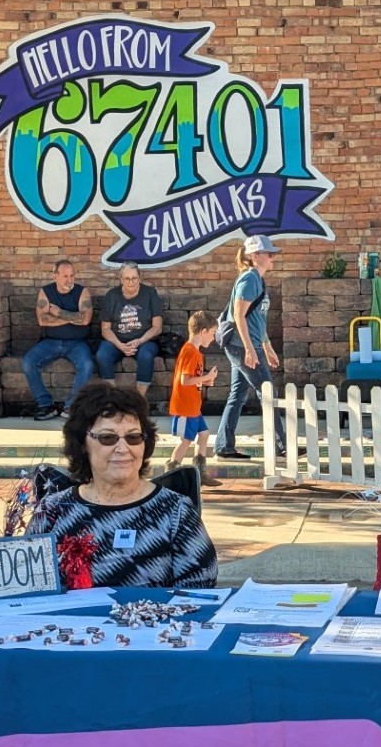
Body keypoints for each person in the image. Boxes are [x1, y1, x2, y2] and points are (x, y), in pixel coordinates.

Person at [27, 382, 217, 588]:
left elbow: (200, 595)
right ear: (82, 443)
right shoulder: (52, 512)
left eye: (133, 437)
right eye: (107, 438)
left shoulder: (176, 513)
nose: (123, 448)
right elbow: (27, 588)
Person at [214, 235, 289, 460]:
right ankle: (281, 446)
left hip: (248, 345)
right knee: (267, 391)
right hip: (241, 346)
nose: (272, 257)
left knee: (238, 395)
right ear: (255, 256)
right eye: (268, 253)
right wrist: (249, 349)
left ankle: (223, 446)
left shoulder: (257, 279)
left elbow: (257, 318)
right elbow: (238, 315)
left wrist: (267, 347)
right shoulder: (249, 280)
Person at [22, 259, 95, 421]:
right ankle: (45, 405)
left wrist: (58, 312)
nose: (69, 280)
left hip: (76, 342)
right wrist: (71, 317)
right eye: (65, 276)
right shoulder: (46, 292)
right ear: (54, 276)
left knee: (87, 364)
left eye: (72, 275)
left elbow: (85, 319)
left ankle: (72, 406)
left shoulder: (82, 292)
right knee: (28, 362)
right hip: (50, 341)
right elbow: (42, 320)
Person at [166, 310, 221, 487]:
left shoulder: (193, 352)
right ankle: (171, 474)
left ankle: (199, 473)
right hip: (185, 406)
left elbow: (190, 380)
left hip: (192, 406)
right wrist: (205, 378)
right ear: (203, 332)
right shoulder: (191, 352)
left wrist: (205, 381)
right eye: (212, 334)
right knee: (186, 441)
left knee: (204, 434)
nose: (212, 339)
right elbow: (185, 380)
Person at [94, 265, 164, 403]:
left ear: (139, 278)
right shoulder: (112, 296)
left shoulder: (150, 294)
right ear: (121, 279)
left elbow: (157, 327)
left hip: (144, 341)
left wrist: (140, 340)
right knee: (102, 355)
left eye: (134, 278)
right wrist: (120, 345)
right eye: (127, 279)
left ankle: (138, 401)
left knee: (146, 355)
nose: (131, 282)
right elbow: (105, 329)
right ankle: (111, 399)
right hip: (117, 341)